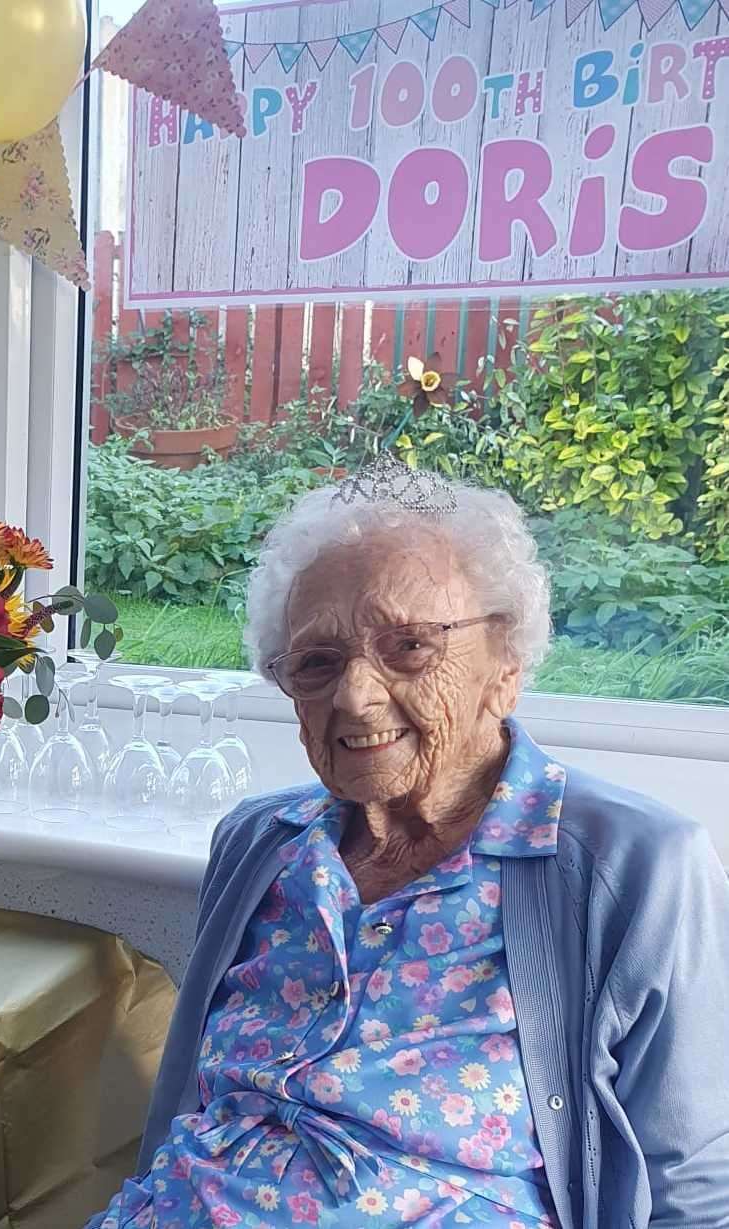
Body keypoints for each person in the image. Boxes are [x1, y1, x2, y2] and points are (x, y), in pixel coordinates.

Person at [88, 457, 729, 1228]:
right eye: (316, 663)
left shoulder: (635, 864)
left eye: (409, 647)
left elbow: (694, 1191)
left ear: (505, 664)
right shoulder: (261, 842)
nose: (354, 696)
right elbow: (183, 1112)